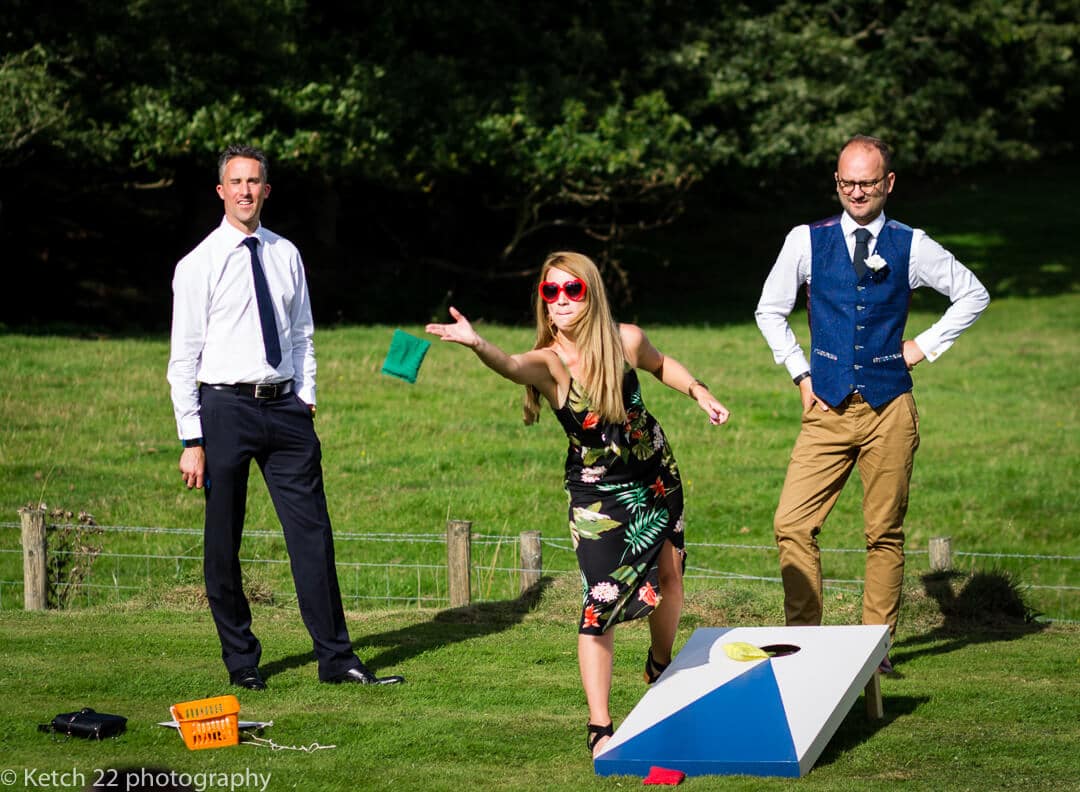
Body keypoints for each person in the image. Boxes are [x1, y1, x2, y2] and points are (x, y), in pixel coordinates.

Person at [426, 251, 730, 757]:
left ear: (590, 294)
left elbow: (660, 365)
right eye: (551, 292)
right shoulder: (550, 363)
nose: (561, 301)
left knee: (671, 577)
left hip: (656, 478)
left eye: (572, 290)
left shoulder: (624, 340)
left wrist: (699, 392)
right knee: (600, 605)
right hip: (599, 499)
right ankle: (599, 723)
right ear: (542, 302)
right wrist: (479, 344)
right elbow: (511, 365)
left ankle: (659, 662)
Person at [167, 144, 403, 689]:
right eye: (236, 182)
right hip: (224, 408)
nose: (246, 191)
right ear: (221, 191)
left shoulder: (285, 254)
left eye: (255, 182)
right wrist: (191, 436)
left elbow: (302, 334)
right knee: (223, 540)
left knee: (312, 536)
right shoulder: (198, 264)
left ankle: (337, 659)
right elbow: (183, 357)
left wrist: (307, 393)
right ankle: (242, 661)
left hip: (287, 410)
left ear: (266, 190)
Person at [755, 135, 990, 671]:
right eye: (846, 182)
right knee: (792, 523)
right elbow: (769, 310)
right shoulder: (805, 240)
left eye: (866, 182)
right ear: (836, 182)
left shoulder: (913, 243)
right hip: (826, 407)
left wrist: (922, 347)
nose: (856, 192)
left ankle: (875, 648)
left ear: (888, 183)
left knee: (883, 532)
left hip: (890, 408)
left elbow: (973, 293)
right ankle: (803, 642)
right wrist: (799, 371)